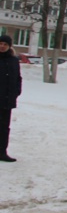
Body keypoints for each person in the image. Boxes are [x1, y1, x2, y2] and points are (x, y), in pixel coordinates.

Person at [0, 34, 22, 162]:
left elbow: (18, 78)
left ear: (9, 46)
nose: (2, 46)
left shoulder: (13, 60)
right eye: (0, 44)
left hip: (7, 100)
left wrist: (16, 92)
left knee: (4, 128)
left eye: (5, 44)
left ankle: (2, 152)